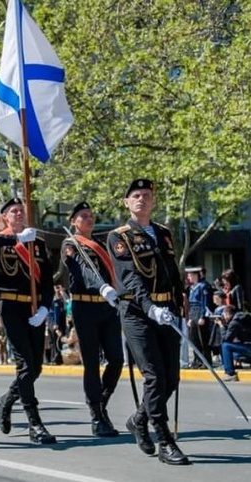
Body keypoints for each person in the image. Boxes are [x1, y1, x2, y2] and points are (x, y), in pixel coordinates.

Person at [107, 179, 189, 466]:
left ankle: (139, 419)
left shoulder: (164, 233)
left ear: (154, 201)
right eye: (136, 196)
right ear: (127, 202)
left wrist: (180, 300)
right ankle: (165, 440)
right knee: (154, 375)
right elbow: (128, 276)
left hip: (166, 310)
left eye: (147, 195)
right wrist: (150, 306)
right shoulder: (119, 236)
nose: (142, 199)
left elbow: (171, 270)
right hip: (137, 312)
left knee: (171, 378)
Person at [0, 198, 56, 445]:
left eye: (22, 211)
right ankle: (35, 423)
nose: (19, 214)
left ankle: (7, 400)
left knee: (36, 367)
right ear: (4, 217)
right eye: (14, 211)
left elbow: (45, 280)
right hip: (10, 306)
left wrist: (45, 306)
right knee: (24, 364)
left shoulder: (37, 242)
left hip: (33, 307)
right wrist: (16, 239)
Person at [61, 201, 123, 437]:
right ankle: (96, 416)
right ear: (74, 222)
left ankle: (102, 402)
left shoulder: (101, 243)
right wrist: (102, 287)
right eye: (83, 216)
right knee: (92, 364)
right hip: (85, 307)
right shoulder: (71, 244)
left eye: (90, 215)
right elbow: (82, 271)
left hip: (107, 309)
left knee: (116, 359)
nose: (89, 218)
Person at [216, 305, 251, 382]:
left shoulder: (234, 322)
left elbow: (225, 339)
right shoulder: (242, 318)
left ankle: (230, 373)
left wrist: (221, 326)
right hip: (249, 346)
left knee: (225, 346)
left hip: (250, 349)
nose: (224, 317)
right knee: (234, 352)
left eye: (224, 315)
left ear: (228, 314)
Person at [185, 267, 212, 369]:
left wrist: (203, 316)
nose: (189, 277)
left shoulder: (203, 286)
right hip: (193, 313)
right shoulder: (192, 287)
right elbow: (191, 304)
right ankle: (197, 360)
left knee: (202, 339)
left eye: (190, 275)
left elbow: (205, 303)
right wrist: (190, 318)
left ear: (196, 275)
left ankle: (206, 361)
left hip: (200, 312)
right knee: (194, 339)